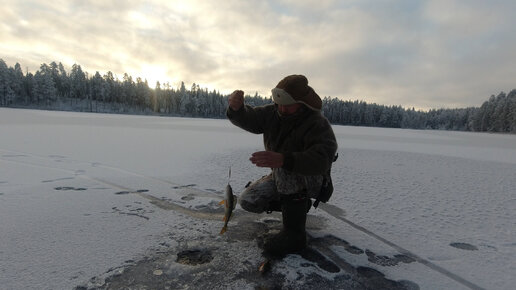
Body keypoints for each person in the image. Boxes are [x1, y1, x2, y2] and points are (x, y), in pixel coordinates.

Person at [226, 74, 338, 256]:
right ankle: (298, 207)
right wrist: (237, 110)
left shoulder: (317, 123)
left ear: (302, 103)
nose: (282, 109)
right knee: (249, 201)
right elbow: (252, 118)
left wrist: (284, 159)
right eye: (279, 104)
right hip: (282, 175)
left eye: (288, 106)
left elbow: (322, 159)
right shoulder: (273, 112)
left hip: (313, 179)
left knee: (286, 167)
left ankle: (294, 235)